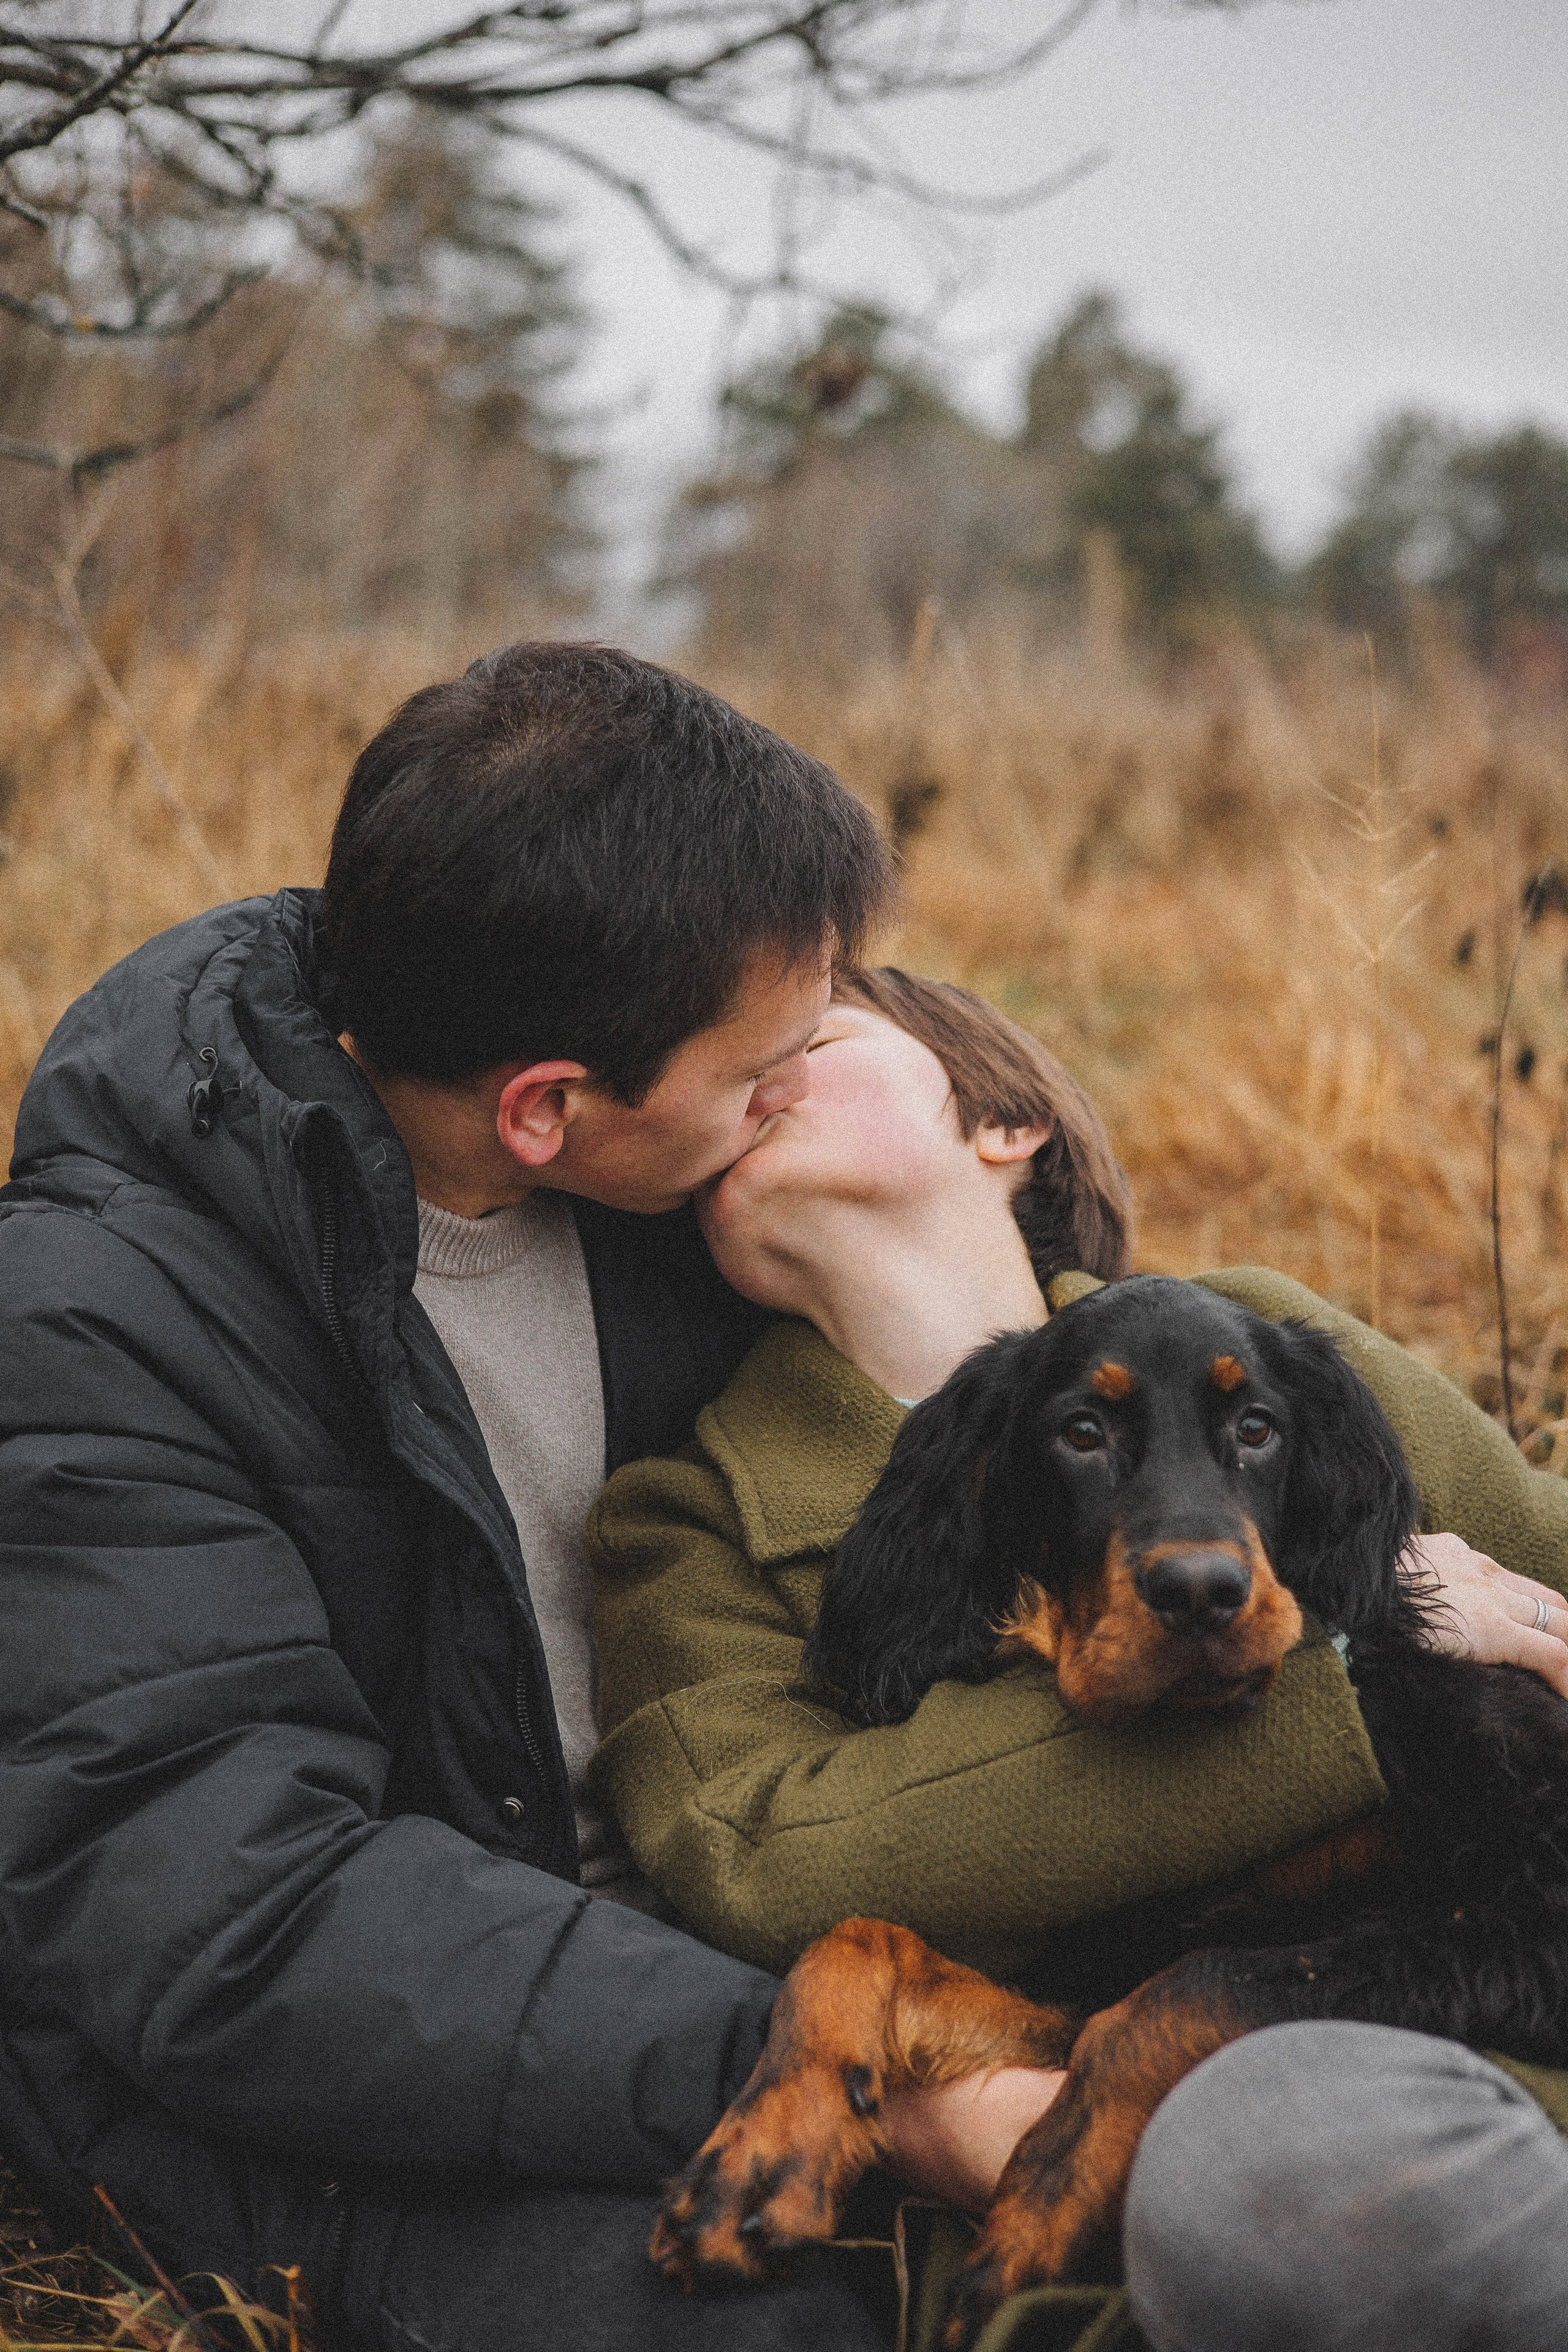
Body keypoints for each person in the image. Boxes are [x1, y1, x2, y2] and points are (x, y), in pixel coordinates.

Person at [0, 641, 966, 2352]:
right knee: (778, 2317)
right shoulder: (91, 1325)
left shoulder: (694, 1173)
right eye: (762, 1070)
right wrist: (850, 2074)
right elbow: (235, 1919)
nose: (797, 1094)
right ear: (545, 1110)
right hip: (313, 2067)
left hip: (757, 1939)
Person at [587, 965, 1568, 2351]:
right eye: (734, 1063)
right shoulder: (686, 1519)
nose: (768, 1078)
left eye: (815, 1037)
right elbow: (765, 1865)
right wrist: (1351, 1653)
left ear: (1004, 1122)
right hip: (1261, 2142)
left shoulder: (1262, 1337)